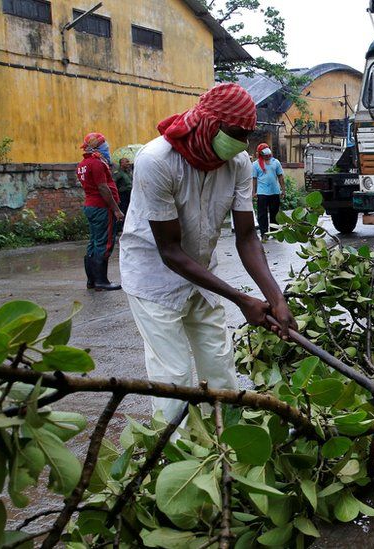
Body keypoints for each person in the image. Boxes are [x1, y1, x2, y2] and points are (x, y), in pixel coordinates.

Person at [119, 83, 295, 420]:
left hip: (201, 273)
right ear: (210, 123)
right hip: (154, 277)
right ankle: (177, 454)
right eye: (235, 133)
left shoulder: (239, 163)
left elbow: (246, 236)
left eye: (246, 135)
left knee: (219, 366)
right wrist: (242, 300)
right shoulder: (157, 161)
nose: (241, 143)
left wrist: (276, 298)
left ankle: (228, 448)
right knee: (173, 378)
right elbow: (169, 250)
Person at [76, 132, 123, 291]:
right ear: (96, 147)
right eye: (104, 145)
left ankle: (92, 281)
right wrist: (116, 209)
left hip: (91, 206)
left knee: (94, 242)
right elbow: (103, 188)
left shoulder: (82, 164)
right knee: (104, 242)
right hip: (102, 207)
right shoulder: (97, 163)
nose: (107, 148)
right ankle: (101, 281)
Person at [252, 143, 285, 240]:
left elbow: (280, 177)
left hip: (275, 192)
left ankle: (274, 232)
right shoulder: (255, 164)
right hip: (262, 193)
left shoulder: (276, 162)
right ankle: (264, 234)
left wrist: (283, 190)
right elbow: (254, 179)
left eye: (268, 153)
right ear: (260, 154)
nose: (268, 155)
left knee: (274, 214)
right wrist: (253, 192)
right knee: (262, 215)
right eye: (265, 154)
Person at [112, 157, 133, 233]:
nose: (128, 163)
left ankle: (126, 227)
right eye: (126, 162)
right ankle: (118, 229)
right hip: (122, 195)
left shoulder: (128, 172)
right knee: (122, 210)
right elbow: (114, 184)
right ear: (121, 163)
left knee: (129, 210)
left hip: (129, 194)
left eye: (128, 161)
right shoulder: (118, 173)